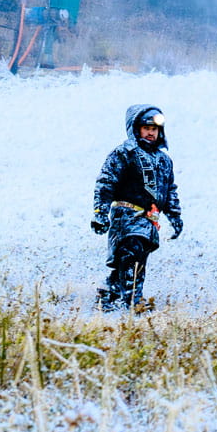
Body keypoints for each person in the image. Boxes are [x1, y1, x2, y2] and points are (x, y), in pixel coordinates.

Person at [91, 104, 181, 311]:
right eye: (146, 128)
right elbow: (105, 183)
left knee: (131, 259)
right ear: (136, 128)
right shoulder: (125, 153)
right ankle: (133, 302)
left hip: (150, 219)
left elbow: (170, 190)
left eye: (154, 129)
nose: (151, 132)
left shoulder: (164, 160)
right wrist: (100, 213)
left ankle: (108, 297)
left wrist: (175, 217)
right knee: (132, 255)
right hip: (126, 215)